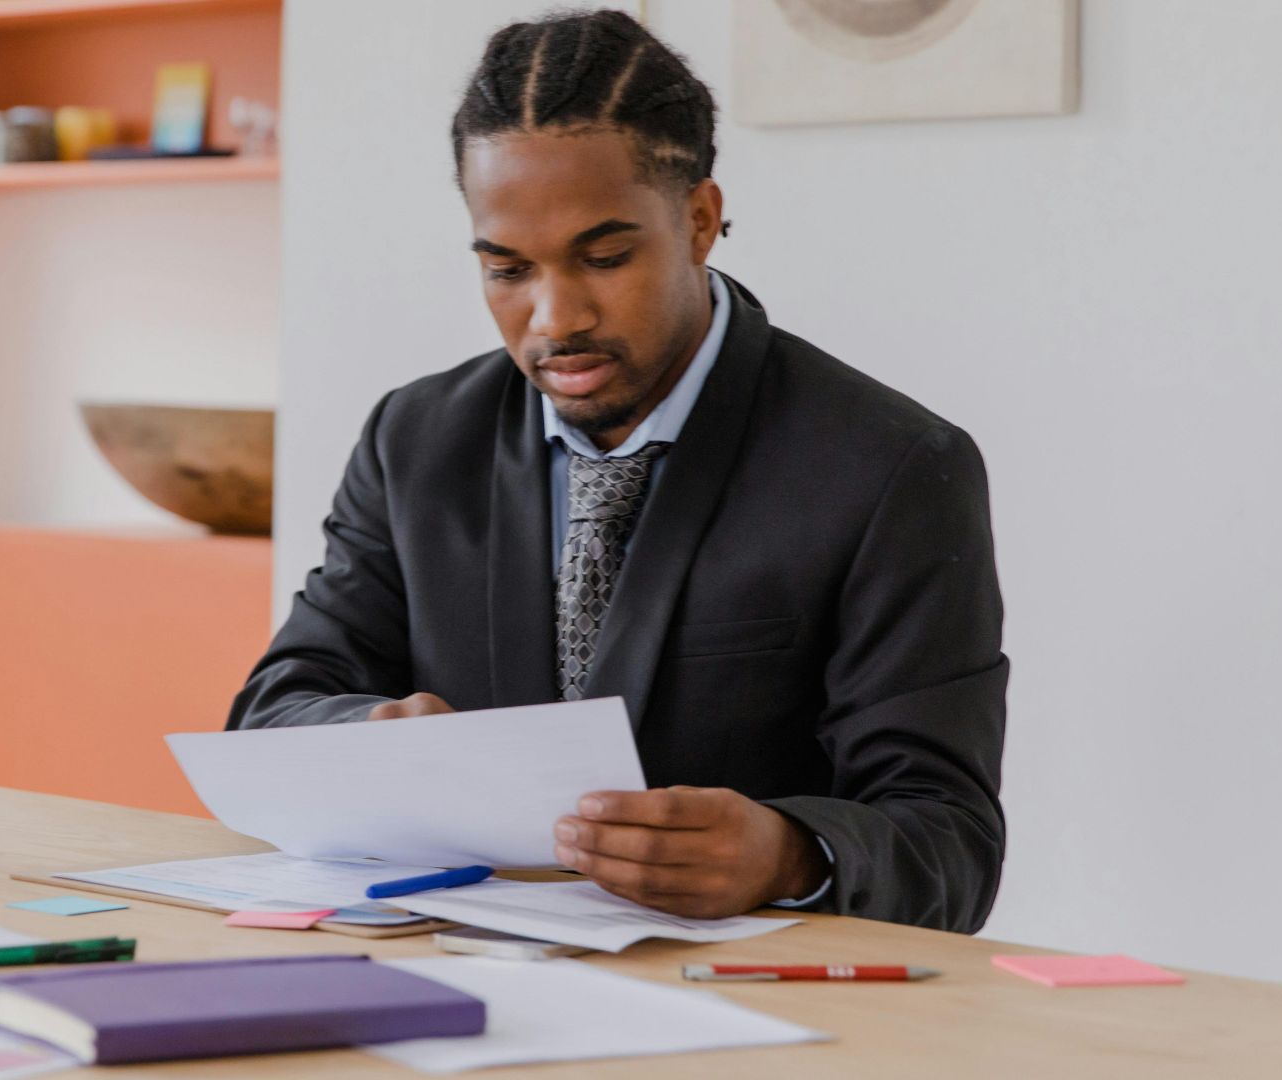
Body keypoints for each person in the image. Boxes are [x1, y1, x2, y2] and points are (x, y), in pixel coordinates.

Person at [229, 9, 1008, 932]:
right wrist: (366, 737)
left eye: (603, 257)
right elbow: (276, 710)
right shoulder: (417, 441)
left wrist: (789, 853)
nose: (555, 318)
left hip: (758, 1018)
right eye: (508, 269)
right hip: (457, 978)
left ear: (701, 221)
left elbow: (949, 839)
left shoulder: (893, 468)